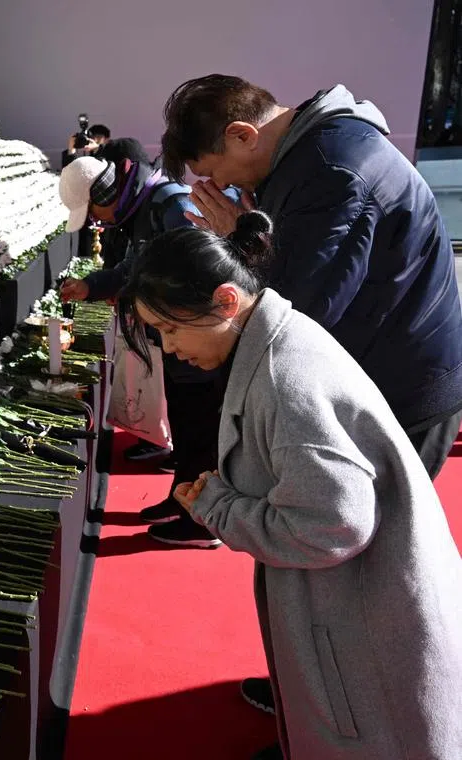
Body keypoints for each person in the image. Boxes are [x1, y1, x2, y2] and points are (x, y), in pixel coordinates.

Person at [161, 74, 462, 742]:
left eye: (220, 174)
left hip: (395, 397)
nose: (227, 191)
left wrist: (237, 243)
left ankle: (363, 725)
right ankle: (324, 702)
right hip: (388, 382)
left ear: (244, 134)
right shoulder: (321, 150)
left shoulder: (328, 171)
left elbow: (296, 310)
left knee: (359, 586)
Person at [118, 212, 462, 760]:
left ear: (226, 301)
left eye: (170, 328)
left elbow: (332, 526)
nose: (168, 347)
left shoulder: (285, 377)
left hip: (367, 622)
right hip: (365, 606)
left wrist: (220, 506)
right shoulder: (276, 339)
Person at [57, 154, 223, 547]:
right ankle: (182, 499)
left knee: (200, 429)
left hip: (197, 339)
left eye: (93, 211)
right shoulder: (145, 208)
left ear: (106, 195)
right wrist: (93, 286)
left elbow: (197, 273)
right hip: (179, 338)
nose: (97, 221)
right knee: (185, 425)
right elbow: (135, 266)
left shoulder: (171, 205)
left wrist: (140, 295)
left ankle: (201, 523)